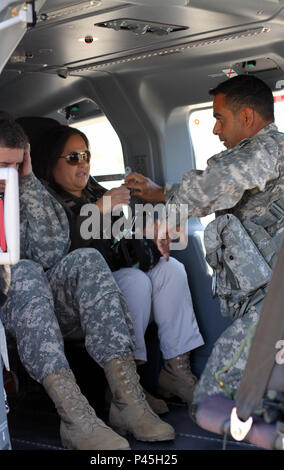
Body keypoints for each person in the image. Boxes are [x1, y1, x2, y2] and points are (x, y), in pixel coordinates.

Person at [0, 112, 175, 450]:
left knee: (85, 260)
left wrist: (28, 180)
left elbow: (51, 252)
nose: (7, 175)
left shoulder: (25, 188)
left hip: (38, 308)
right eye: (0, 165)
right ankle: (75, 418)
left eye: (14, 166)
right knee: (24, 271)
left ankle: (126, 401)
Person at [124, 74, 284, 403]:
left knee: (212, 400)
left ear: (247, 117)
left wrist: (166, 220)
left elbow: (217, 183)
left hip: (272, 306)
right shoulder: (273, 154)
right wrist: (162, 195)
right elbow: (235, 194)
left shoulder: (259, 150)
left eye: (219, 118)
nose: (215, 130)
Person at [31, 124, 204, 411]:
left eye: (86, 155)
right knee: (134, 281)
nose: (83, 163)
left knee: (170, 269)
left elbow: (116, 244)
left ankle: (176, 371)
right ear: (51, 163)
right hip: (71, 300)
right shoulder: (45, 201)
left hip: (115, 280)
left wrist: (143, 237)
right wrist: (98, 210)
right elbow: (58, 253)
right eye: (73, 158)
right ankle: (125, 386)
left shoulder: (93, 191)